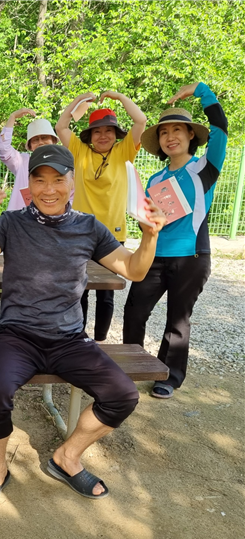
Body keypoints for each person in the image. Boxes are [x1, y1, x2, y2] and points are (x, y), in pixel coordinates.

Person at [0, 144, 166, 509]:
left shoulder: (89, 227)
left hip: (69, 339)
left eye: (58, 179)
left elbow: (133, 270)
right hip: (18, 337)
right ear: (30, 183)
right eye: (40, 180)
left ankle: (66, 457)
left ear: (72, 182)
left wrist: (150, 236)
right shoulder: (11, 223)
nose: (49, 189)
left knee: (123, 395)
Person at [123, 82, 228, 399]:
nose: (170, 137)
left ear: (191, 134)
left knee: (177, 321)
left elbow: (220, 127)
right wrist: (143, 219)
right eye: (164, 132)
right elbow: (147, 222)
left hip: (191, 257)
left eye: (177, 130)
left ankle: (169, 377)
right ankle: (130, 366)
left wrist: (202, 91)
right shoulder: (155, 179)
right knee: (134, 311)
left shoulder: (205, 167)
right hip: (154, 256)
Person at [56, 91, 147, 342]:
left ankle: (100, 341)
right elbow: (61, 126)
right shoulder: (79, 151)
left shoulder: (124, 151)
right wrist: (78, 101)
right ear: (90, 135)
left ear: (116, 134)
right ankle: (79, 338)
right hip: (80, 231)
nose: (103, 135)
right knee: (80, 290)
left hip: (112, 234)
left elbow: (141, 121)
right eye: (97, 131)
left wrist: (120, 97)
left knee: (106, 293)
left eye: (108, 130)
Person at [0, 108, 60, 210]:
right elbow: (3, 148)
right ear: (30, 146)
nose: (40, 142)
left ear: (53, 140)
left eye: (44, 137)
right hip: (20, 218)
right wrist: (12, 117)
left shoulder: (63, 165)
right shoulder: (22, 161)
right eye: (35, 140)